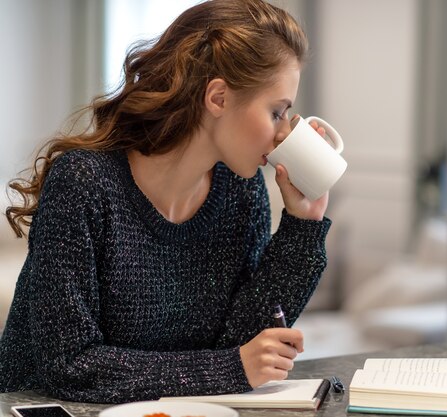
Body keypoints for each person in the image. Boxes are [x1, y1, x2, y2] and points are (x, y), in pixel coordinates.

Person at [0, 0, 332, 404]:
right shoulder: (84, 182)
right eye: (277, 112)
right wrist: (232, 367)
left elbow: (243, 346)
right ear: (219, 98)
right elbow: (71, 366)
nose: (283, 134)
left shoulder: (241, 193)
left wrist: (303, 227)